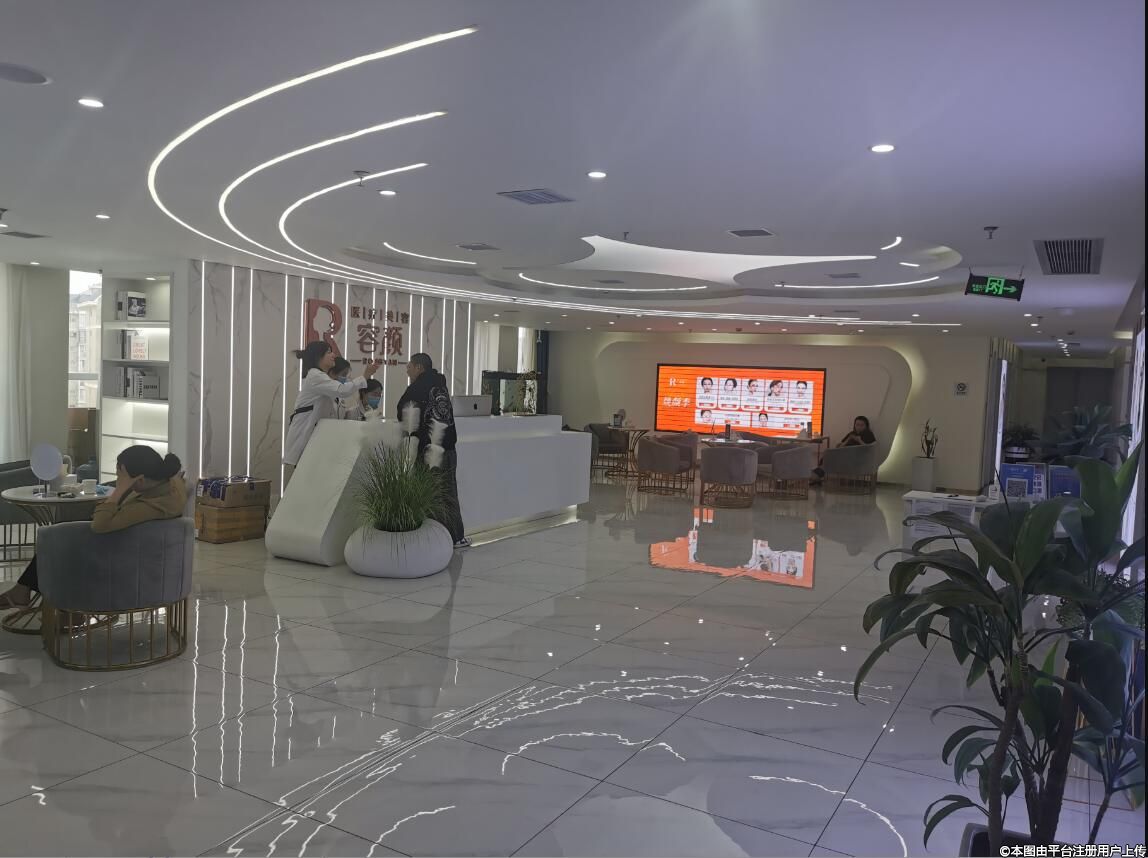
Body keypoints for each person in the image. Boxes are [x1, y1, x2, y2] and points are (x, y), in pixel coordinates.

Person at [0, 445, 186, 610]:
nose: (118, 480)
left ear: (140, 480)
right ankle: (25, 591)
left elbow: (100, 525)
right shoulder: (167, 486)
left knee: (57, 541)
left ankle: (34, 596)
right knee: (59, 536)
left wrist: (119, 490)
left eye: (120, 477)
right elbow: (178, 478)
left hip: (115, 556)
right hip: (123, 544)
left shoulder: (152, 506)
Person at [396, 352, 467, 548]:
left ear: (419, 367)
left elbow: (403, 412)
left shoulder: (417, 388)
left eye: (409, 366)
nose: (407, 370)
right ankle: (456, 537)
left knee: (429, 495)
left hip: (428, 450)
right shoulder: (441, 385)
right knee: (448, 493)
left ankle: (434, 539)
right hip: (449, 448)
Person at [283, 341, 379, 475]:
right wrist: (365, 375)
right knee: (307, 477)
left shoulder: (321, 379)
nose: (333, 355)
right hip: (306, 438)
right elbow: (342, 390)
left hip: (318, 441)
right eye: (329, 352)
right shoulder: (315, 375)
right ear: (318, 357)